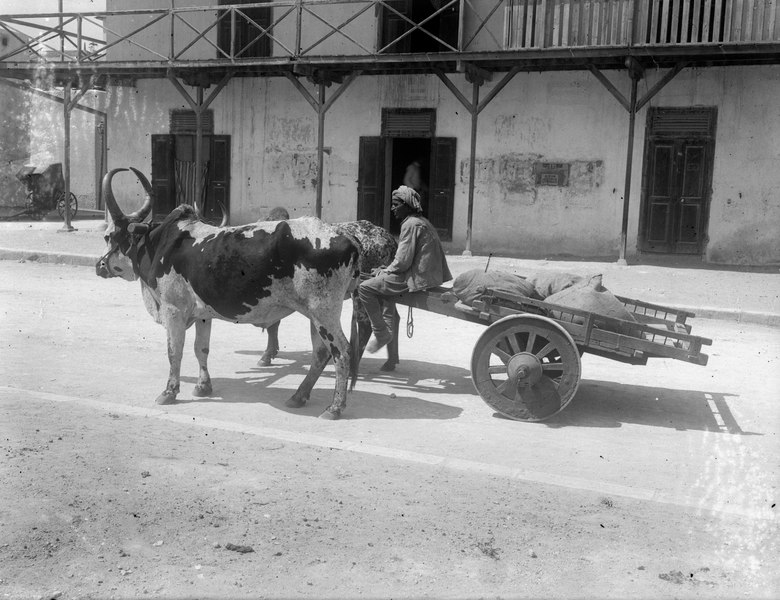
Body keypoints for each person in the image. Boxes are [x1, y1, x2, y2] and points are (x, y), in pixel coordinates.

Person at [358, 185, 452, 353]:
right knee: (380, 283)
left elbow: (402, 262)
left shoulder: (410, 225)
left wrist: (386, 271)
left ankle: (381, 334)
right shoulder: (421, 222)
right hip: (424, 274)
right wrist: (386, 269)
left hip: (415, 277)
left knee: (364, 288)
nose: (392, 208)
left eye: (396, 204)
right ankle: (388, 340)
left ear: (406, 205)